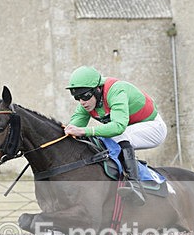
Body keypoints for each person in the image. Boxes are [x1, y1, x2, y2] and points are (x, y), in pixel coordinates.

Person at [63, 66, 167, 206]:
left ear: (97, 89)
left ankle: (134, 186)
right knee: (99, 140)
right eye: (77, 97)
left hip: (153, 128)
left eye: (85, 96)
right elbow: (73, 129)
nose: (82, 101)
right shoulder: (86, 104)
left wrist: (84, 131)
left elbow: (118, 127)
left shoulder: (116, 91)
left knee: (116, 136)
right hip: (129, 130)